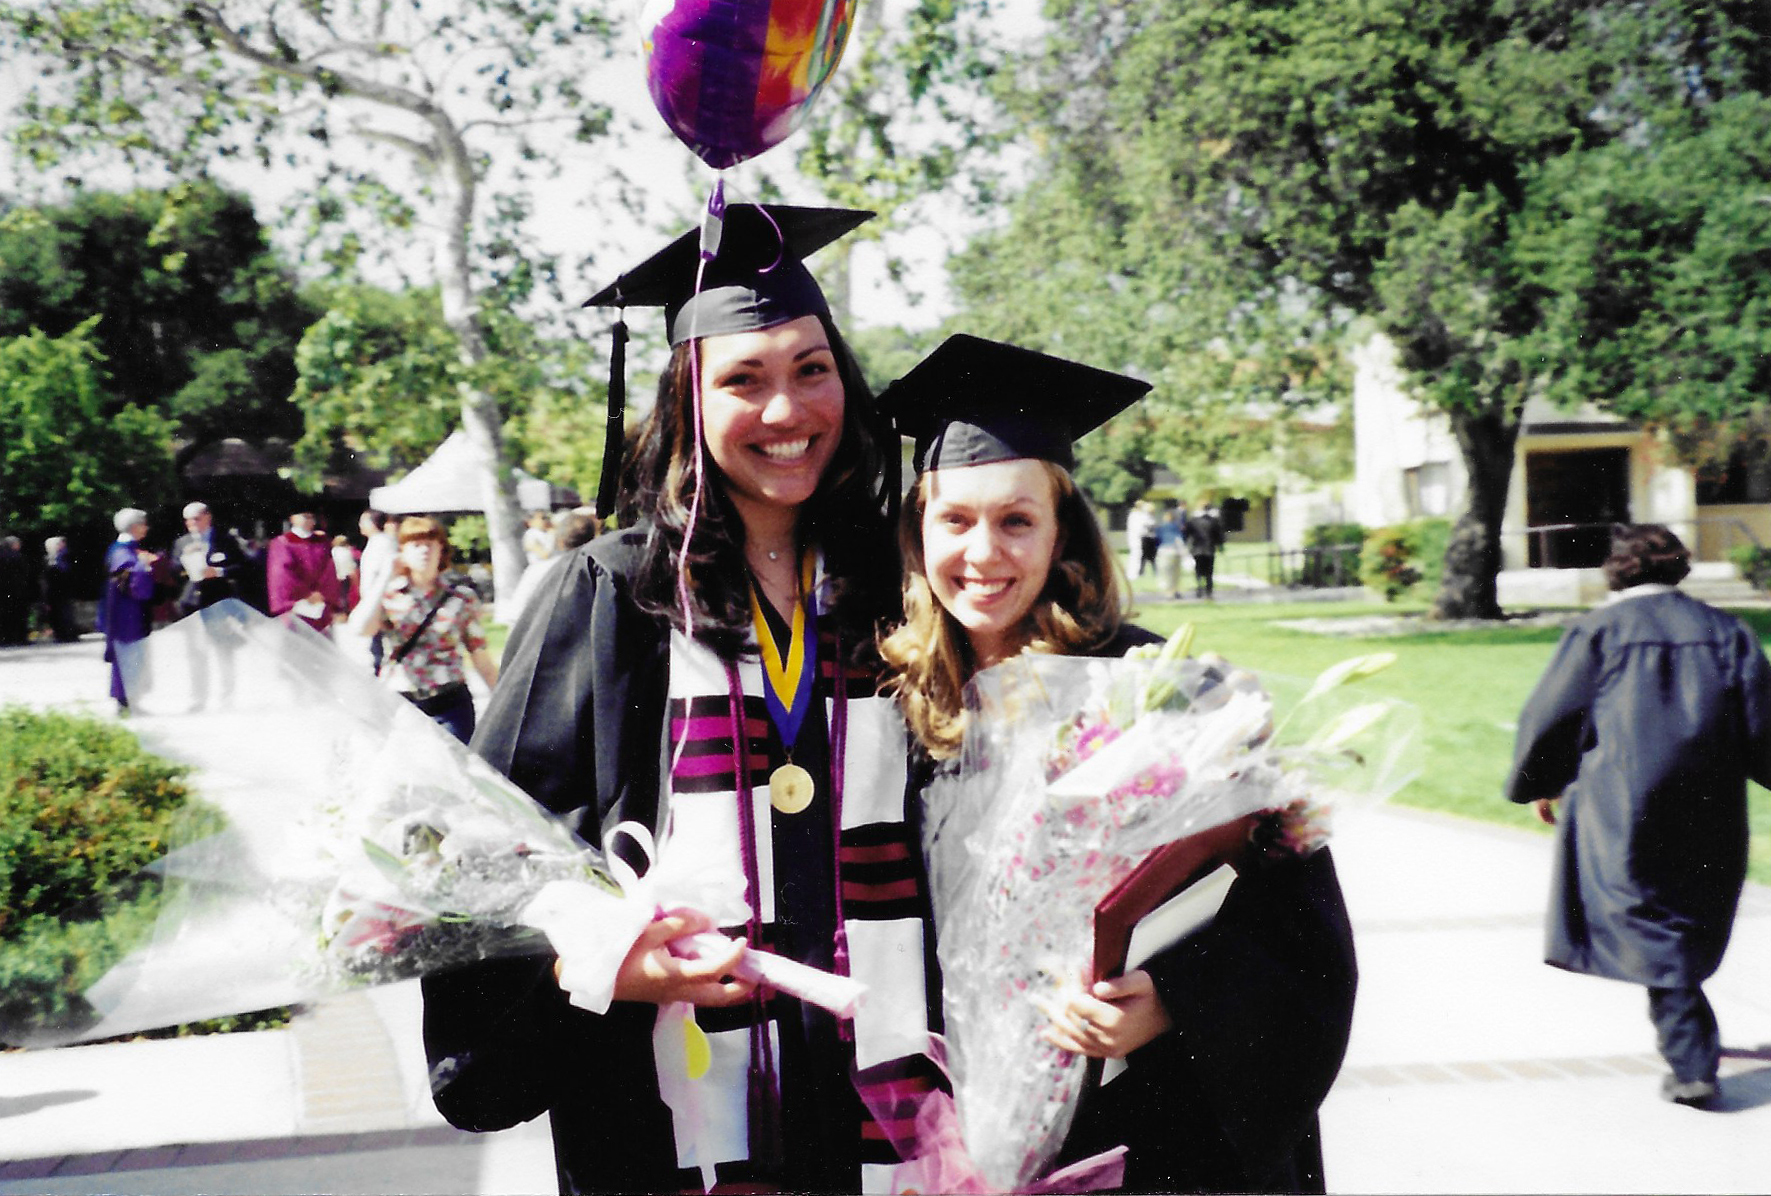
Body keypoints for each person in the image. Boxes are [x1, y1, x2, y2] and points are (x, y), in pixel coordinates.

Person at [420, 204, 940, 1194]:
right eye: (742, 378)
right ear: (684, 399)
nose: (786, 410)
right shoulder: (612, 595)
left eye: (811, 368)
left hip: (895, 1102)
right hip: (670, 1117)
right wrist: (603, 961)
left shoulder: (897, 593)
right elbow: (487, 849)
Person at [879, 334, 1357, 1194]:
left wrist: (1172, 996)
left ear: (1062, 532)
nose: (983, 553)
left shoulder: (1167, 697)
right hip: (947, 1131)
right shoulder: (895, 705)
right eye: (954, 519)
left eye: (1016, 519)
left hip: (1150, 1135)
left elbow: (1302, 936)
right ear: (918, 535)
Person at [1507, 523, 1771, 1108]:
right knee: (1683, 917)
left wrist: (1541, 783)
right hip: (1711, 802)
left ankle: (1693, 1060)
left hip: (1621, 804)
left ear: (1617, 569)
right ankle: (1689, 1047)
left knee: (1650, 920)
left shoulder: (1598, 631)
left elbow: (1553, 715)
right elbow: (1762, 726)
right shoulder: (1726, 631)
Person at [348, 516, 497, 744]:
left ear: (441, 551)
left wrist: (504, 700)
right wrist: (385, 576)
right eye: (415, 545)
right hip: (401, 703)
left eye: (430, 544)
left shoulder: (462, 598)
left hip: (450, 704)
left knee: (454, 774)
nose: (424, 551)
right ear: (402, 552)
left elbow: (481, 657)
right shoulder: (388, 596)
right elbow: (359, 629)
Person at [98, 508, 160, 707]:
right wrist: (145, 566)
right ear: (134, 527)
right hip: (126, 613)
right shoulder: (122, 552)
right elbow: (136, 586)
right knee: (128, 656)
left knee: (131, 656)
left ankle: (131, 701)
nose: (147, 528)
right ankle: (125, 703)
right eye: (144, 524)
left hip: (126, 612)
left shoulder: (121, 549)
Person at [265, 510, 341, 636]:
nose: (307, 519)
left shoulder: (323, 542)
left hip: (321, 604)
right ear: (292, 518)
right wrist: (306, 595)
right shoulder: (282, 543)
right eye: (303, 515)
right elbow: (280, 574)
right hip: (296, 606)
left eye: (310, 516)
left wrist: (322, 594)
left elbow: (330, 569)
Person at [170, 501, 252, 616]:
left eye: (196, 519)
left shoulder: (224, 539)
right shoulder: (181, 543)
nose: (191, 523)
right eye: (187, 520)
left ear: (208, 517)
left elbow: (243, 566)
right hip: (191, 602)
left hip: (220, 599)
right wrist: (186, 560)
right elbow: (175, 572)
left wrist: (218, 572)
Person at [354, 510, 400, 673]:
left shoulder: (382, 543)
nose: (360, 525)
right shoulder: (376, 542)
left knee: (381, 642)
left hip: (381, 600)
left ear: (372, 523)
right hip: (373, 599)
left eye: (363, 521)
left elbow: (378, 574)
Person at [42, 536, 80, 643]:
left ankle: (67, 634)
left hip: (62, 590)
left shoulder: (64, 557)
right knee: (58, 613)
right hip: (54, 590)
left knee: (65, 612)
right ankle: (61, 634)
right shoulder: (49, 559)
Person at [1185, 502, 1226, 600]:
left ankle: (1199, 588)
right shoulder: (1213, 521)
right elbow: (1218, 536)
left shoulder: (1193, 521)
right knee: (1209, 571)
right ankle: (1209, 590)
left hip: (1197, 549)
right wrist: (1220, 546)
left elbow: (1187, 534)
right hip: (1209, 549)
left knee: (1198, 570)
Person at [0, 534, 29, 645]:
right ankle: (20, 638)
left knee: (5, 616)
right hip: (17, 590)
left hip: (3, 591)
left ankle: (6, 638)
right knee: (19, 615)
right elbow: (24, 574)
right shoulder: (17, 556)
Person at [1154, 503, 1187, 599]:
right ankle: (1175, 590)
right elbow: (1181, 538)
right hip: (1176, 550)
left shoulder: (1161, 528)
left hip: (1164, 550)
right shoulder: (1177, 527)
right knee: (1176, 573)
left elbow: (1157, 540)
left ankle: (1169, 592)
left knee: (1166, 572)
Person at [1123, 500, 1154, 580]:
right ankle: (1132, 574)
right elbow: (1143, 525)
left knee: (1136, 554)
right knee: (1136, 555)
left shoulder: (1134, 515)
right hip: (1137, 537)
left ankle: (1133, 573)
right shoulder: (1137, 515)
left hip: (1135, 537)